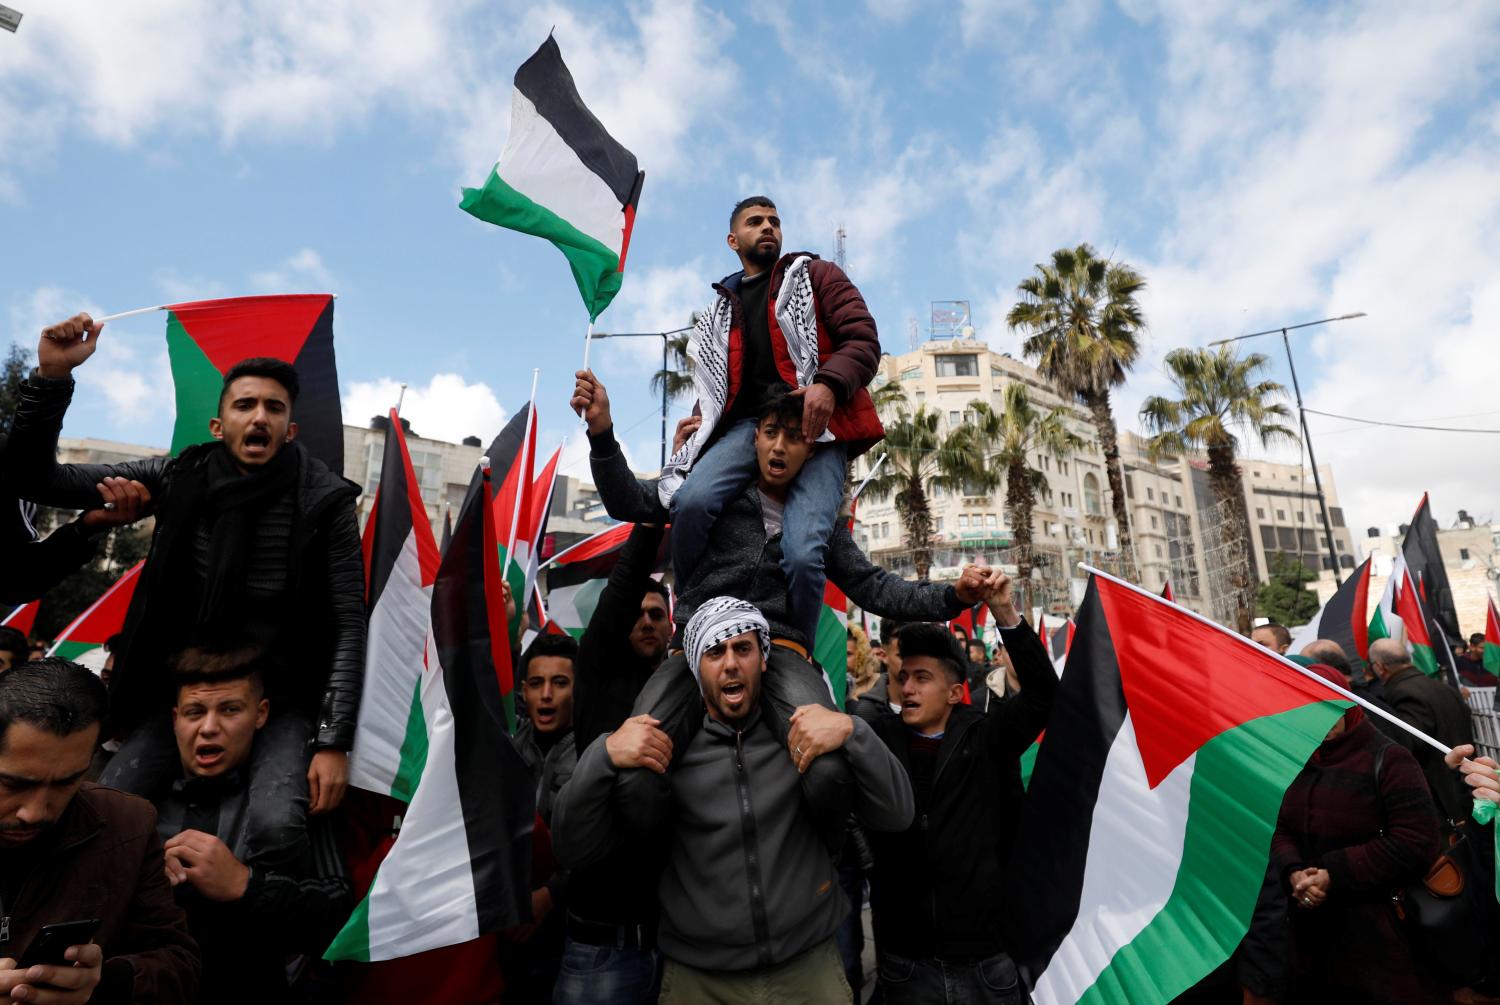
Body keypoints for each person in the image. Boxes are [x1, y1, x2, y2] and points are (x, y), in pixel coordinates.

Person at [573, 372, 984, 846]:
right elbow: (631, 499)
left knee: (828, 768)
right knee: (639, 769)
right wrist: (601, 430)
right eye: (771, 432)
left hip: (784, 650)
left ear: (812, 451)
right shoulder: (713, 499)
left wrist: (954, 597)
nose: (780, 447)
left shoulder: (818, 526)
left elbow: (875, 587)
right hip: (697, 651)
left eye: (795, 437)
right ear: (754, 437)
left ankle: (823, 865)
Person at [8, 314, 366, 832]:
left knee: (277, 823)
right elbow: (34, 479)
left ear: (291, 430)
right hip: (179, 692)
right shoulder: (173, 476)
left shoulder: (326, 501)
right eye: (245, 405)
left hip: (284, 698)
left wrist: (332, 741)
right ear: (219, 427)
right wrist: (52, 379)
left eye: (273, 407)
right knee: (107, 809)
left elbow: (346, 624)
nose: (259, 417)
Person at [553, 597, 915, 1003]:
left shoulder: (803, 739)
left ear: (763, 660)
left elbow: (897, 814)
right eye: (714, 651)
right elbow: (571, 846)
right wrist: (603, 754)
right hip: (700, 980)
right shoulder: (665, 753)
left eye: (742, 648)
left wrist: (854, 731)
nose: (730, 664)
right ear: (694, 666)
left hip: (808, 968)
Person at [659, 196, 885, 647]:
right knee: (691, 500)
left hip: (820, 428)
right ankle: (689, 616)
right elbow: (718, 386)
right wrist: (698, 428)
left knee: (803, 554)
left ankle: (795, 645)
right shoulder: (720, 309)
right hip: (750, 427)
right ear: (733, 239)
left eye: (774, 221)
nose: (768, 227)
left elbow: (863, 339)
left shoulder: (817, 276)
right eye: (755, 221)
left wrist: (827, 384)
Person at [866, 575, 1057, 1005]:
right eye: (904, 676)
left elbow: (1045, 695)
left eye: (922, 678)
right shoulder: (876, 740)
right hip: (906, 967)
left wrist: (1004, 610)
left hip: (988, 966)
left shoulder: (988, 737)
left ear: (955, 692)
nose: (908, 687)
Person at [155, 646, 351, 1003]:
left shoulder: (292, 800)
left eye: (230, 710)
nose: (209, 728)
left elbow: (339, 918)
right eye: (195, 712)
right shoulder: (141, 799)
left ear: (260, 714)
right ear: (175, 718)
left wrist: (246, 885)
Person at [0, 658, 199, 1003]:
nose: (34, 812)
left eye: (66, 783)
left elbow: (179, 965)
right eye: (14, 784)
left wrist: (103, 982)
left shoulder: (127, 825)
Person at [1271, 661, 1447, 1003]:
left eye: (1327, 707)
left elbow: (1417, 842)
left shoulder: (1388, 759)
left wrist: (1332, 873)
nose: (1317, 719)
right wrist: (1293, 871)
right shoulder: (1295, 759)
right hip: (1310, 937)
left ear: (1347, 704)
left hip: (1382, 938)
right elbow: (1279, 828)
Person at [553, 522, 673, 1005]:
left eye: (657, 614)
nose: (646, 622)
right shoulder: (600, 672)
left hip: (671, 946)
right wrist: (651, 518)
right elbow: (622, 591)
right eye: (637, 614)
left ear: (671, 625)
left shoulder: (683, 692)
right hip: (601, 953)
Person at [1369, 637, 1475, 820]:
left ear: (1380, 667)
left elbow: (1412, 742)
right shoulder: (1441, 686)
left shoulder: (1403, 692)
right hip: (1465, 782)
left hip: (1445, 793)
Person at [845, 624, 880, 702]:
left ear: (861, 654)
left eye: (848, 654)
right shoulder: (834, 684)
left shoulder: (879, 683)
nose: (842, 660)